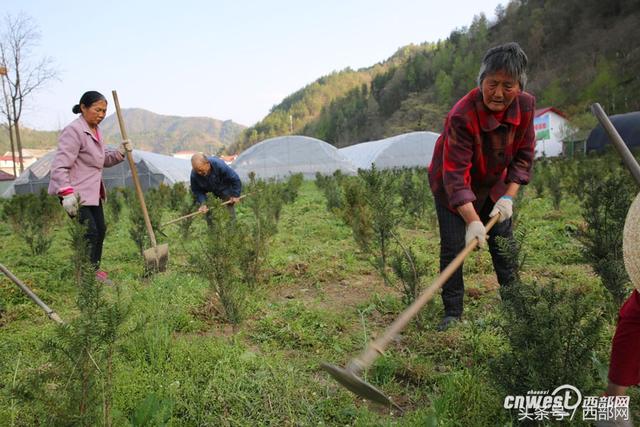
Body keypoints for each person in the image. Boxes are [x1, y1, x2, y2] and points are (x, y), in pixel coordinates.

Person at [428, 42, 536, 331]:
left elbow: (523, 158)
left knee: (503, 244)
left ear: (519, 87)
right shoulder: (462, 115)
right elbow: (455, 176)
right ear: (481, 82)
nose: (498, 93)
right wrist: (473, 222)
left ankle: (516, 306)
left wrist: (508, 199)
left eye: (508, 85)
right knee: (453, 249)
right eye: (492, 84)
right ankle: (452, 313)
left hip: (494, 186)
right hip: (452, 186)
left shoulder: (525, 107)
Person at [49, 91, 129, 284]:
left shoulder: (95, 131)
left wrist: (120, 152)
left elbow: (101, 160)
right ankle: (86, 275)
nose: (101, 114)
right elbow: (60, 165)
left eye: (104, 111)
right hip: (73, 193)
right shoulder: (74, 131)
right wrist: (66, 193)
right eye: (97, 109)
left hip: (91, 193)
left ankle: (93, 270)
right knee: (89, 232)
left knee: (100, 229)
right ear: (83, 108)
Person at [190, 153, 242, 218]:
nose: (199, 173)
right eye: (196, 170)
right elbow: (197, 191)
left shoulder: (219, 165)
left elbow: (234, 178)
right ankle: (213, 227)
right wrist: (203, 203)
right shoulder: (194, 174)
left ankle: (232, 226)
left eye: (200, 170)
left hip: (224, 188)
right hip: (209, 193)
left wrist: (235, 195)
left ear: (207, 164)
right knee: (209, 214)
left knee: (229, 214)